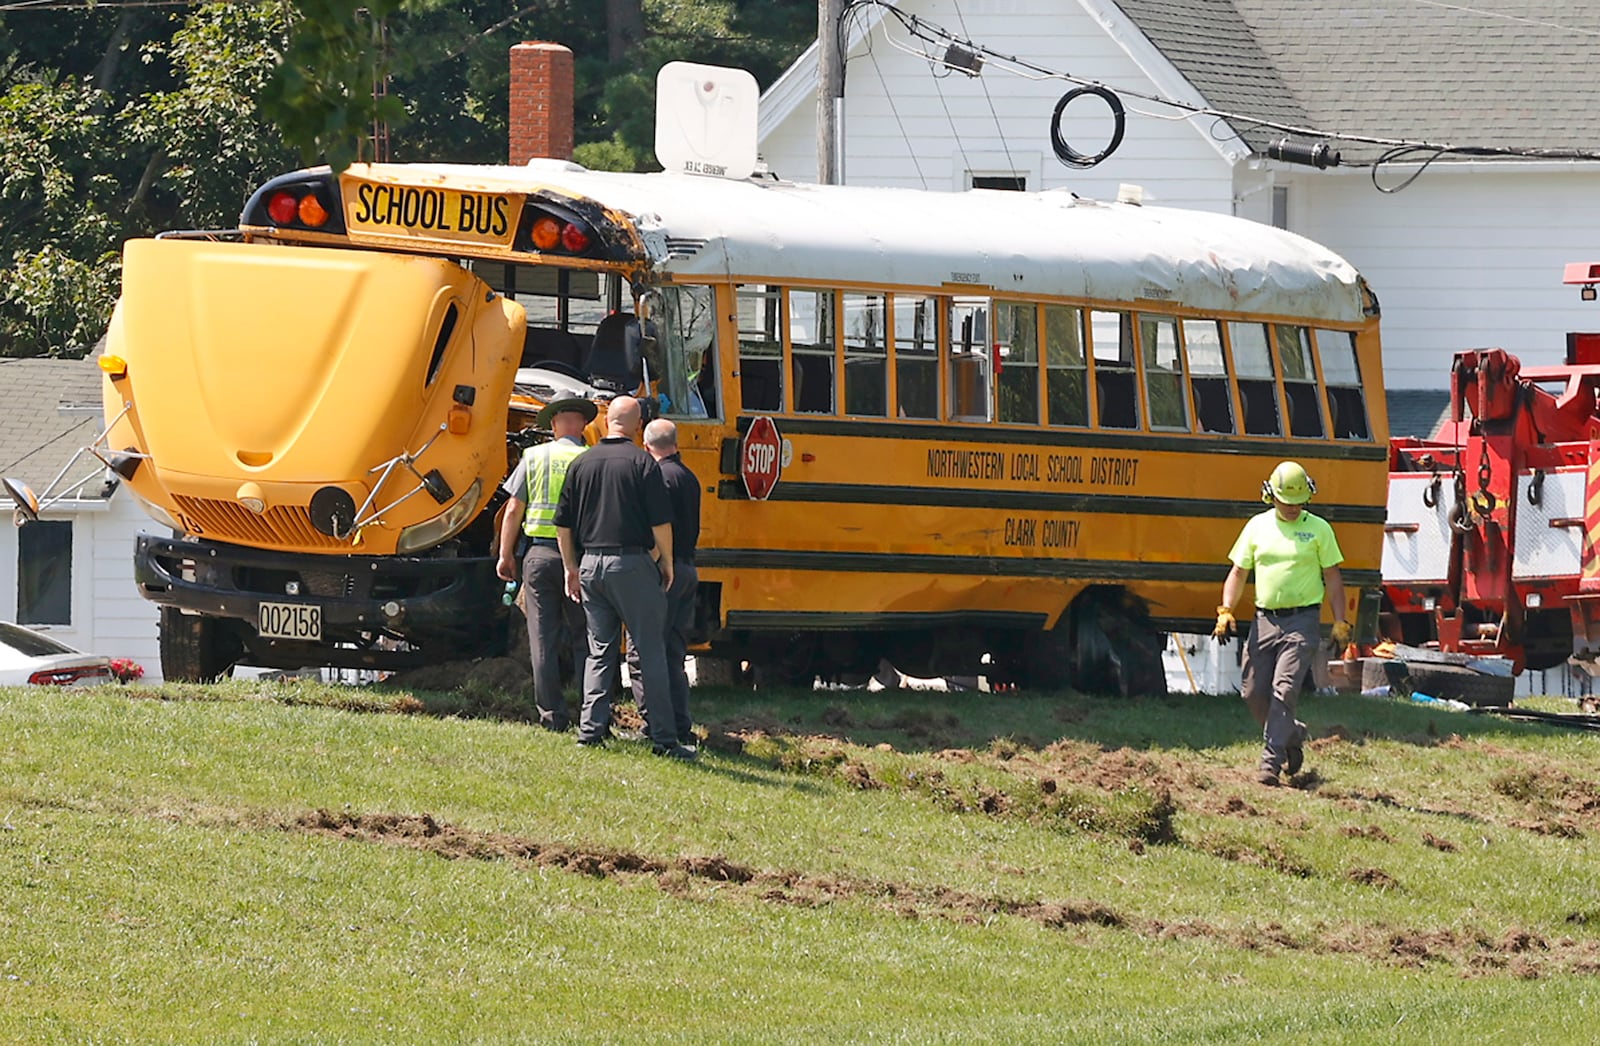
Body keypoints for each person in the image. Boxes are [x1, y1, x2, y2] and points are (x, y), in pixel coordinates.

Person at [554, 396, 693, 759]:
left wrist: (571, 567)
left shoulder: (581, 462)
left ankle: (591, 730)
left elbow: (563, 524)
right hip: (631, 565)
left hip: (590, 566)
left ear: (604, 421)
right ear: (636, 424)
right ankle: (664, 738)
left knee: (599, 651)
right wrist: (666, 562)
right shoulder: (642, 463)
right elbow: (659, 521)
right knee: (650, 651)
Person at [1213, 461, 1352, 786]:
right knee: (1252, 693)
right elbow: (1238, 572)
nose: (1291, 508)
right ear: (1270, 496)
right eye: (1285, 501)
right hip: (1264, 620)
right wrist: (1226, 609)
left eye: (1298, 502)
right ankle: (1292, 733)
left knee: (1285, 689)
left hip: (1302, 620)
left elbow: (1333, 578)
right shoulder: (1256, 527)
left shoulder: (1319, 529)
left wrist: (1340, 620)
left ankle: (1270, 763)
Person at [495, 397, 597, 732]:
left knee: (542, 637)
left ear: (554, 425)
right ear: (582, 425)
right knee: (587, 637)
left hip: (538, 556)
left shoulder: (534, 456)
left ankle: (551, 716)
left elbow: (513, 509)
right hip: (581, 558)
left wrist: (505, 554)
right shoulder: (591, 458)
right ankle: (590, 713)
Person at [627, 418, 700, 748]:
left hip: (665, 571)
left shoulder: (659, 478)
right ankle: (681, 724)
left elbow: (660, 528)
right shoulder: (688, 477)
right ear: (675, 443)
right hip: (688, 570)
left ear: (645, 446)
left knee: (643, 654)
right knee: (673, 654)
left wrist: (649, 563)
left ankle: (654, 725)